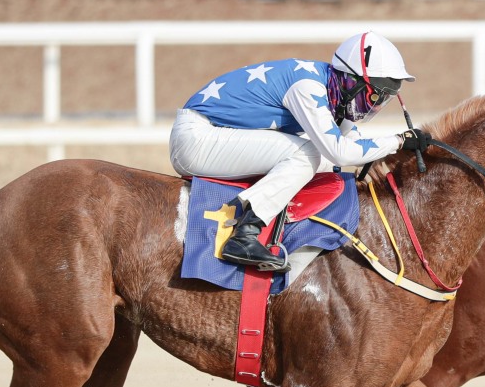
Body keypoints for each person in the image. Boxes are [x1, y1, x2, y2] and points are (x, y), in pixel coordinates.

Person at [170, 30, 430, 272]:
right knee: (308, 154)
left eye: (383, 101)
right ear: (352, 82)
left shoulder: (332, 89)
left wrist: (397, 150)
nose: (375, 106)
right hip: (196, 139)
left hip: (211, 135)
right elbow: (340, 151)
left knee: (323, 164)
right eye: (375, 97)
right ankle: (245, 233)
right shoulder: (308, 88)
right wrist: (397, 141)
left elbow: (352, 146)